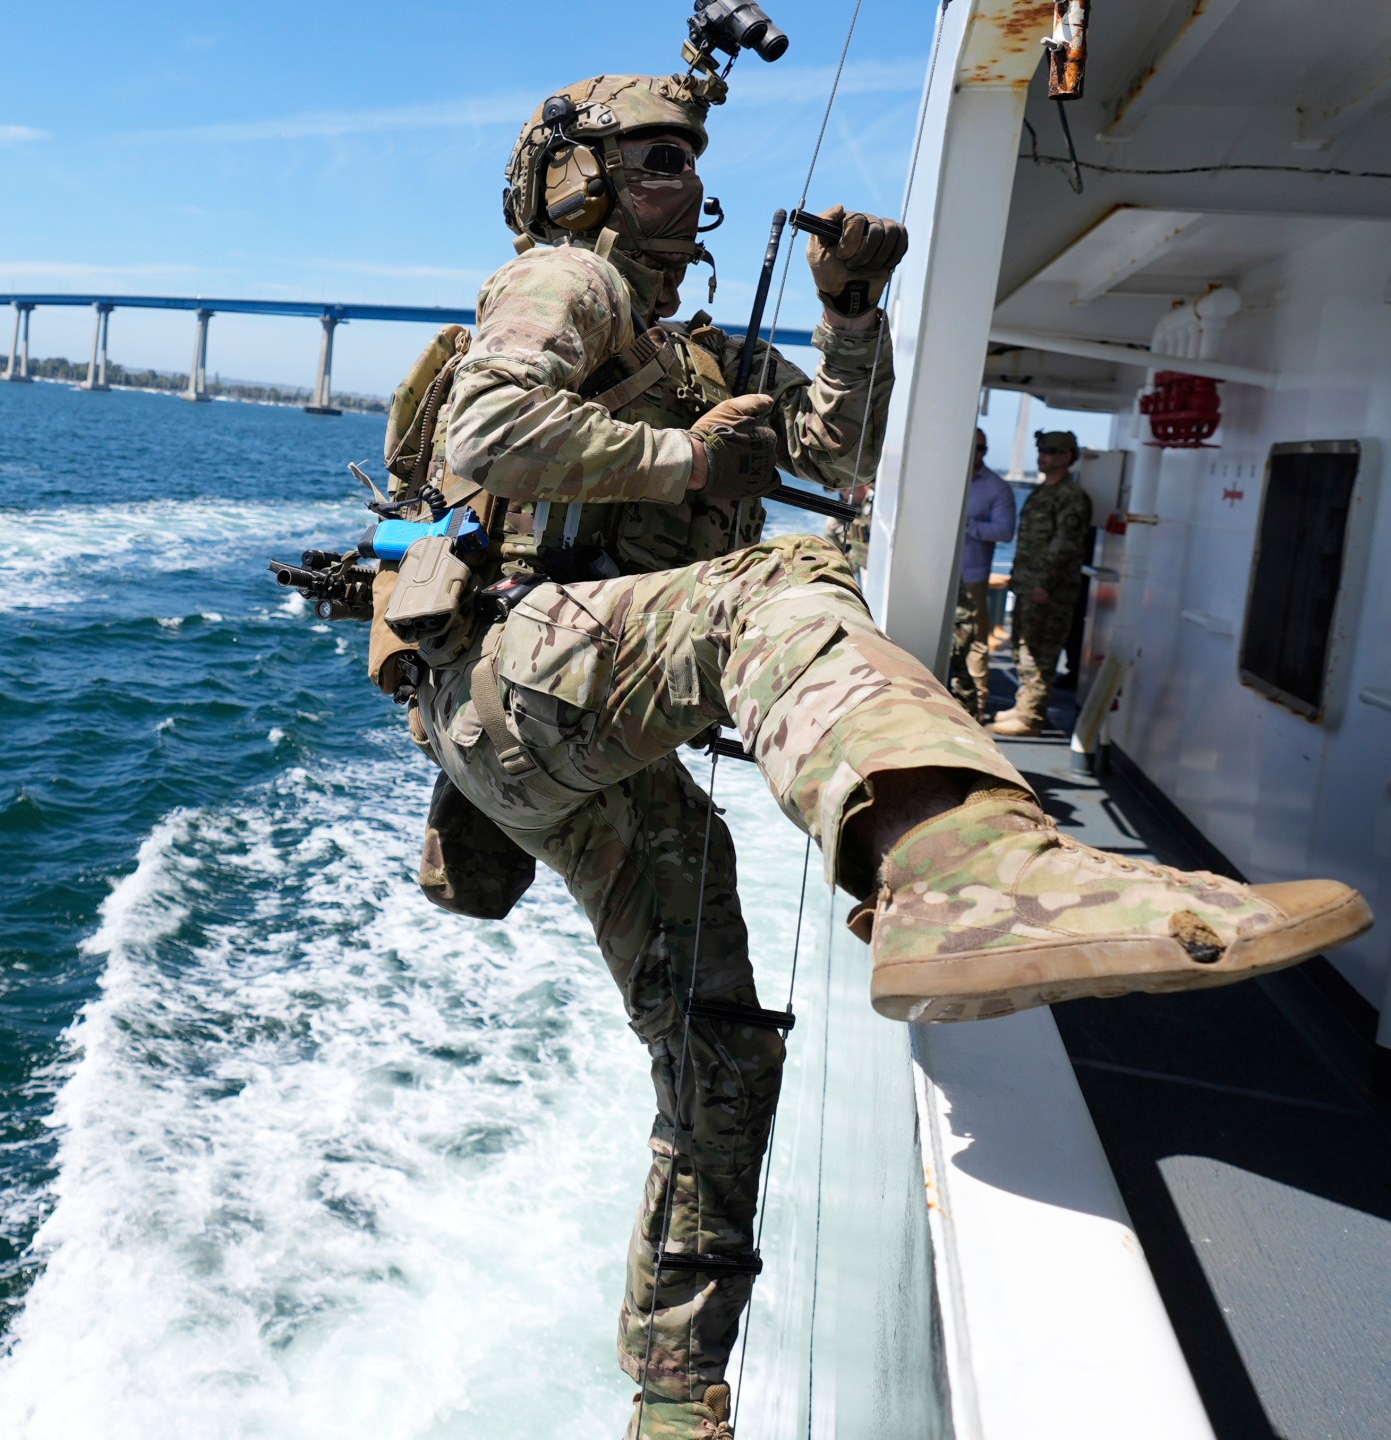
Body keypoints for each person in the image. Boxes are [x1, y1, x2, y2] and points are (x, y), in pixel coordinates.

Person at [336, 63, 1372, 1440]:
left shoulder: (695, 352)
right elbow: (489, 426)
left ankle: (672, 1391)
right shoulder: (566, 283)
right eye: (653, 159)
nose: (687, 182)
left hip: (561, 747)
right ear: (577, 184)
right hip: (513, 678)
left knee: (717, 1046)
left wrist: (847, 316)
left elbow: (842, 438)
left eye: (692, 160)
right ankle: (967, 875)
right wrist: (682, 469)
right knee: (788, 573)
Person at [991, 430, 1091, 736]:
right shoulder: (1043, 492)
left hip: (1048, 592)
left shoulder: (1071, 497)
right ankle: (1025, 705)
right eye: (1042, 450)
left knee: (1040, 653)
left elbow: (1065, 546)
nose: (1043, 456)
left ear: (1067, 457)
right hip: (1026, 586)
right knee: (1023, 648)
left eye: (1050, 451)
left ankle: (1032, 717)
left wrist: (1045, 584)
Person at [949, 429, 1017, 720]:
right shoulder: (945, 478)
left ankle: (974, 709)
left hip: (971, 577)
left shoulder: (997, 488)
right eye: (968, 446)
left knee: (975, 641)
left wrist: (967, 526)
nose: (973, 453)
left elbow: (1004, 531)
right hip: (938, 577)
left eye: (979, 448)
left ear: (985, 451)